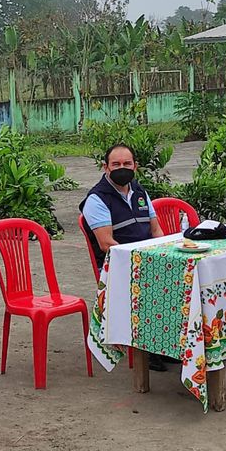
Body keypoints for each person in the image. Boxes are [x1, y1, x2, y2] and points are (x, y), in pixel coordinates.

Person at [79, 143, 178, 372]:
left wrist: (164, 255)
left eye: (127, 163)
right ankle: (148, 349)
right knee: (158, 283)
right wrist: (142, 263)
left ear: (135, 166)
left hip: (148, 260)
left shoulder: (139, 192)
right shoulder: (97, 199)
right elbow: (107, 244)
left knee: (186, 277)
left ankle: (170, 343)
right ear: (106, 167)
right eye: (116, 164)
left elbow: (156, 230)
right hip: (117, 267)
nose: (122, 168)